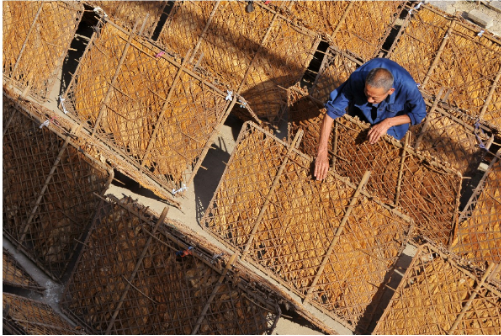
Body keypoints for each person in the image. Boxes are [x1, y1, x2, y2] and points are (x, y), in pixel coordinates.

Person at [314, 58, 426, 181]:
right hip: (361, 113)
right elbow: (331, 113)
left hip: (392, 123)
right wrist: (322, 153)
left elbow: (419, 114)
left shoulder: (407, 86)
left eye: (374, 97)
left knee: (376, 162)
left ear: (390, 91)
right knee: (349, 144)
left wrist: (388, 122)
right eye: (367, 94)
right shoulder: (357, 79)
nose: (369, 100)